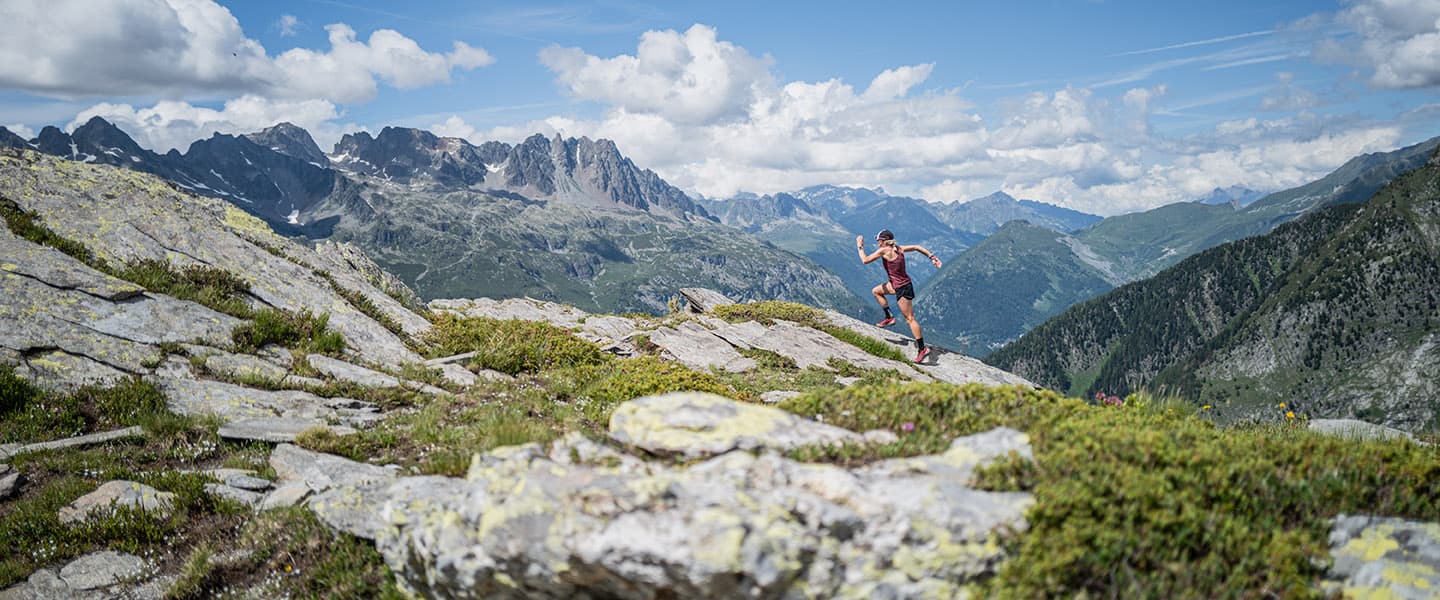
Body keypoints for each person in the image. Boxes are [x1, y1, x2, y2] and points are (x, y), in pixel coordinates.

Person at [857, 229, 942, 363]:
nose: (878, 243)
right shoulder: (898, 248)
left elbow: (865, 260)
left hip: (902, 288)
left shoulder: (884, 250)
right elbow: (916, 247)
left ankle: (922, 349)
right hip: (897, 284)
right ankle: (889, 317)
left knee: (910, 319)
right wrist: (932, 257)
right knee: (876, 291)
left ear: (884, 241)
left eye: (879, 240)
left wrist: (860, 246)